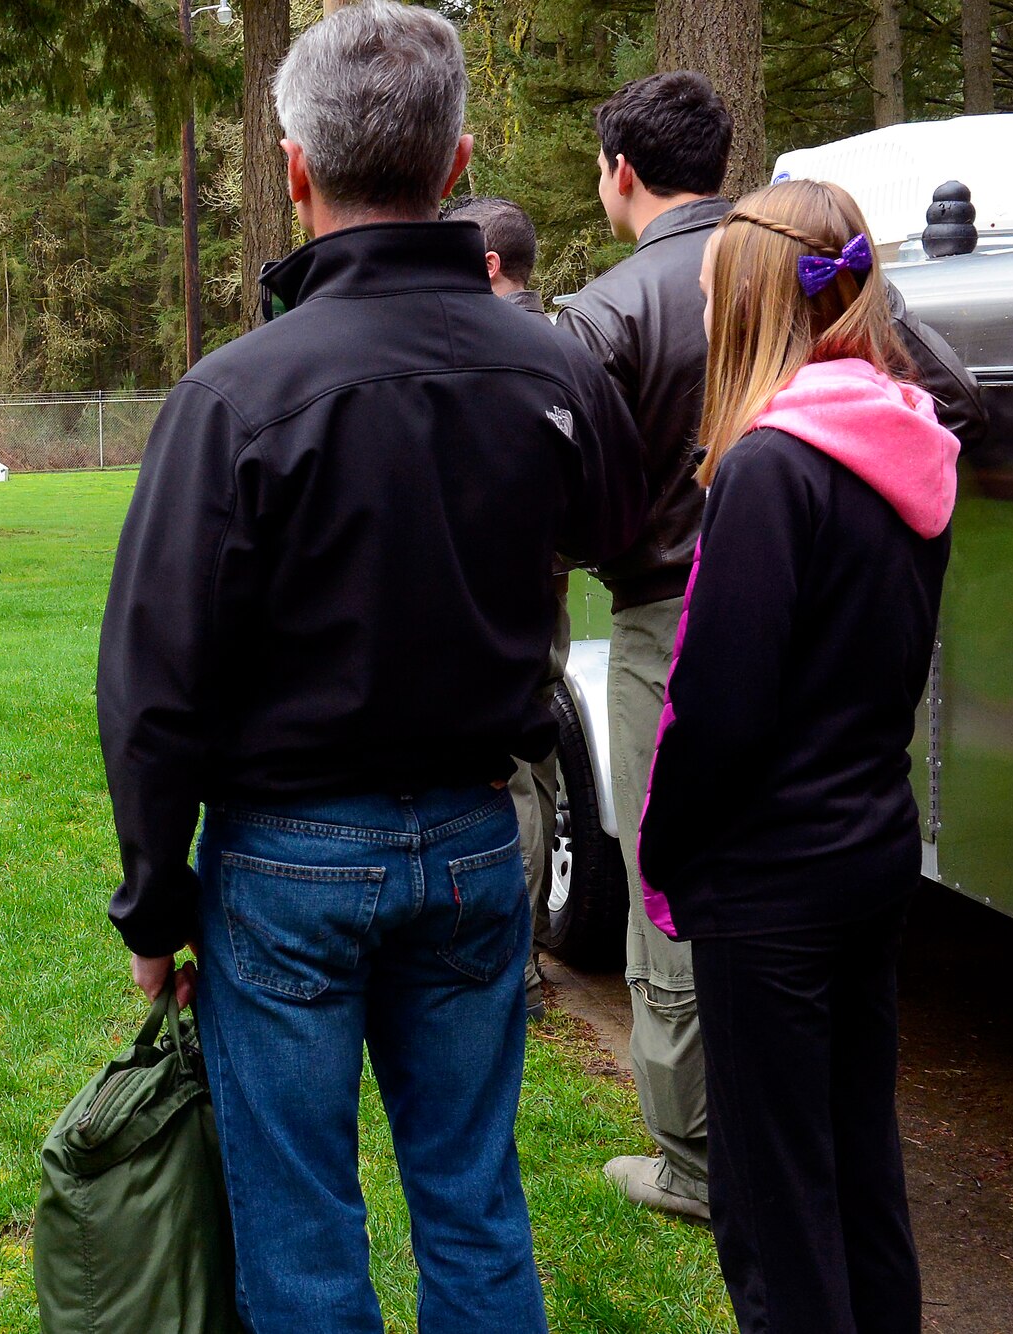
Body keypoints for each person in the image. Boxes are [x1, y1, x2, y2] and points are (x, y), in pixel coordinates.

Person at [97, 5, 647, 1329]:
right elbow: (624, 531)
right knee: (470, 1196)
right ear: (456, 162)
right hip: (470, 842)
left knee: (301, 1222)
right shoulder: (551, 370)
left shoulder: (236, 396)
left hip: (295, 860)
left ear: (297, 170)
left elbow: (155, 685)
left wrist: (153, 904)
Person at [557, 71, 985, 1221]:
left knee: (671, 885)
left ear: (619, 172)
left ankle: (695, 1153)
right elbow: (952, 395)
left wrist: (635, 530)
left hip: (680, 617)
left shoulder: (612, 316)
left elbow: (567, 504)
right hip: (852, 692)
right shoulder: (813, 274)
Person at [640, 179, 956, 1333]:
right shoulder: (907, 436)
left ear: (749, 304)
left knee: (774, 1202)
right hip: (866, 849)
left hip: (769, 881)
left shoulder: (776, 465)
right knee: (857, 1163)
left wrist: (664, 845)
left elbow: (719, 706)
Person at [446, 193, 568, 1021]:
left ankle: (515, 956)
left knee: (516, 777)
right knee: (540, 770)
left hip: (501, 587)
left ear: (489, 266)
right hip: (545, 585)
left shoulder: (498, 349)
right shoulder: (564, 346)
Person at [446, 194, 548, 314]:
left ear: (488, 266)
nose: (445, 276)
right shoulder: (553, 330)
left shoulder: (478, 331)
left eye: (451, 263)